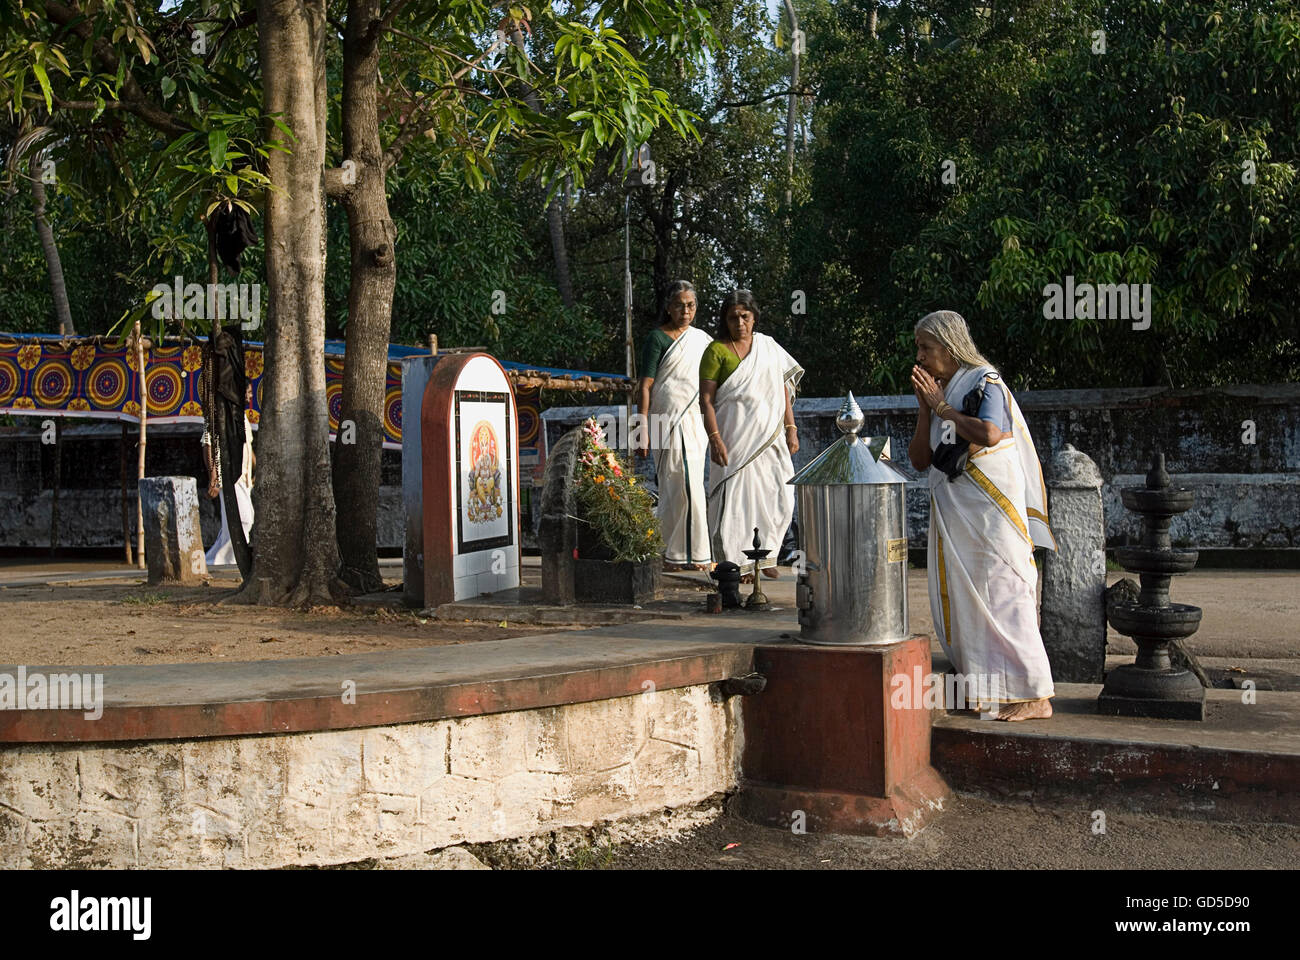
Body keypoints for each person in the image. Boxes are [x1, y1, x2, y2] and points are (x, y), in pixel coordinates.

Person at [908, 310, 1056, 722]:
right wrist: (925, 409)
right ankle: (981, 689)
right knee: (964, 597)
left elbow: (990, 434)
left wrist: (942, 408)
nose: (919, 356)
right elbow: (921, 460)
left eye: (926, 347)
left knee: (1005, 593)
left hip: (991, 509)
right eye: (918, 347)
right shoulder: (941, 391)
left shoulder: (983, 380)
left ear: (949, 346)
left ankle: (1035, 694)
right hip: (956, 508)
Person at [699, 290, 803, 580]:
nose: (739, 323)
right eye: (733, 318)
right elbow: (706, 400)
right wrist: (715, 438)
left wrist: (790, 428)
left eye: (745, 316)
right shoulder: (716, 351)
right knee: (736, 501)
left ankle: (766, 556)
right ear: (725, 320)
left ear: (754, 317)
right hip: (733, 440)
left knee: (779, 494)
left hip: (770, 438)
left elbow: (782, 389)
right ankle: (737, 564)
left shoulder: (768, 348)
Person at [636, 280, 713, 571]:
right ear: (668, 307)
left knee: (691, 485)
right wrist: (641, 427)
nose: (685, 310)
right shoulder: (657, 338)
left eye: (690, 305)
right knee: (673, 486)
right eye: (679, 305)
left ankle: (690, 553)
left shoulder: (702, 340)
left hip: (694, 420)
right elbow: (645, 385)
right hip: (665, 417)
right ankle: (674, 553)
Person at [205, 383, 256, 566]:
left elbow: (248, 447)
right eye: (248, 391)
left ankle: (216, 560)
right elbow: (208, 443)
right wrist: (213, 476)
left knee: (238, 521)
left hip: (243, 478)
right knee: (243, 520)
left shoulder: (242, 416)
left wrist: (255, 469)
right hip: (228, 474)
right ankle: (224, 561)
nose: (250, 396)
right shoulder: (219, 413)